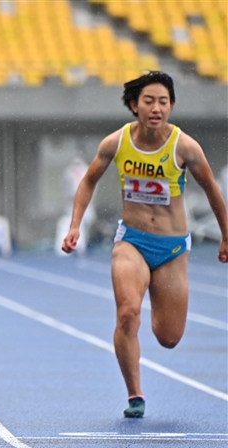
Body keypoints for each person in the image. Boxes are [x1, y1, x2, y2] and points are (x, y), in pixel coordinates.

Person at [62, 71, 228, 418]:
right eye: (149, 101)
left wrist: (226, 235)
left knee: (169, 337)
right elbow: (89, 181)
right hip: (132, 241)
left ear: (171, 107)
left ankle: (156, 294)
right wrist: (75, 225)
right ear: (134, 105)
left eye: (163, 102)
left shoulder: (185, 147)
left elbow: (213, 189)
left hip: (170, 250)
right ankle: (135, 394)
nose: (156, 108)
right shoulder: (116, 143)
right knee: (127, 315)